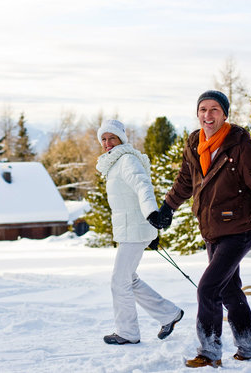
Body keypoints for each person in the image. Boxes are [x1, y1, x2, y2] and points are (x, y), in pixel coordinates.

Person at [148, 90, 251, 368]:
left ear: (224, 114)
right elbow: (184, 181)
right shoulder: (195, 143)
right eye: (203, 110)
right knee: (229, 291)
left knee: (207, 289)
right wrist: (167, 208)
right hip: (212, 230)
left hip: (238, 231)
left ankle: (210, 351)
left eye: (214, 109)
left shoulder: (240, 146)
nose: (208, 115)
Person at [96, 119, 184, 345]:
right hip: (132, 229)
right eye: (103, 139)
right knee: (129, 279)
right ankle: (169, 314)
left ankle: (127, 332)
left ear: (121, 139)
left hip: (135, 229)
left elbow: (142, 185)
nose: (107, 143)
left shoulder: (126, 159)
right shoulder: (115, 162)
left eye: (111, 138)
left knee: (119, 281)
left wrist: (152, 216)